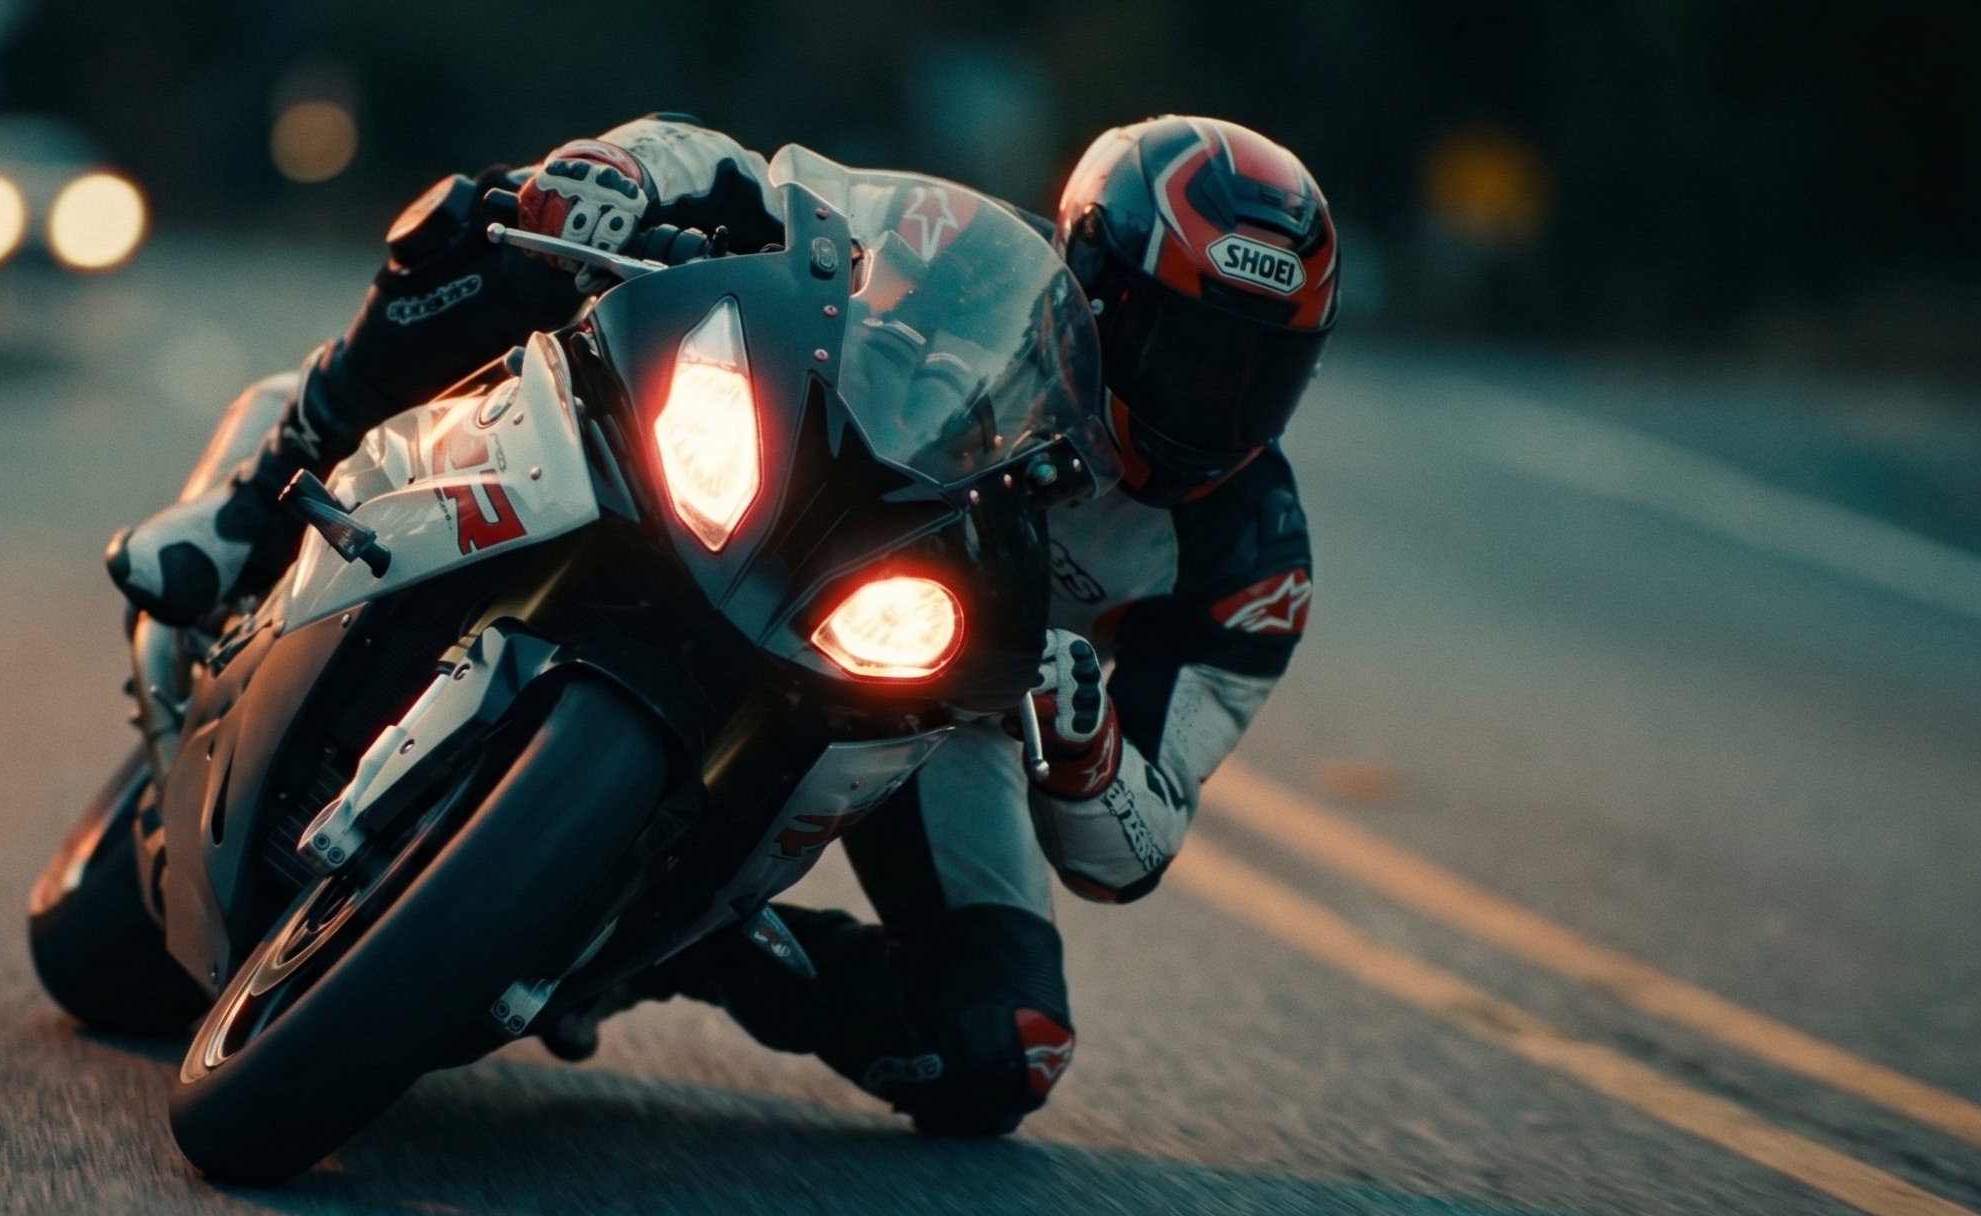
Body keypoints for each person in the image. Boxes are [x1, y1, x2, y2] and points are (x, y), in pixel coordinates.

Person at [107, 113, 1336, 1136]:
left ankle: (680, 940)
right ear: (1096, 279)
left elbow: (1132, 848)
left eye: (1259, 373)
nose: (1216, 403)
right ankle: (250, 508)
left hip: (927, 692)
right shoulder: (962, 256)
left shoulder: (1249, 558)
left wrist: (1088, 750)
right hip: (753, 491)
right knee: (487, 218)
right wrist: (620, 173)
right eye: (1189, 349)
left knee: (1003, 1050)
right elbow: (750, 174)